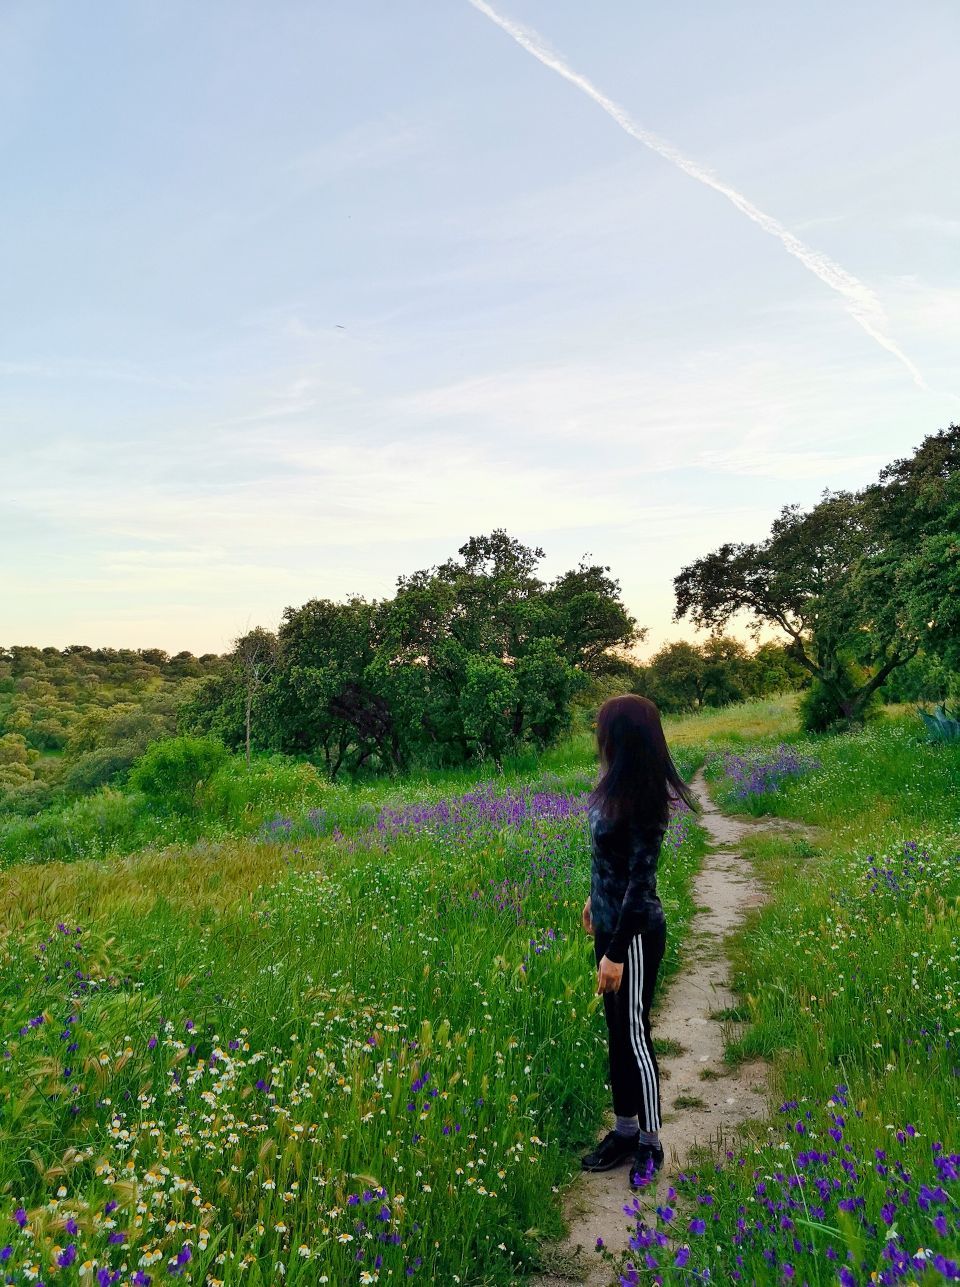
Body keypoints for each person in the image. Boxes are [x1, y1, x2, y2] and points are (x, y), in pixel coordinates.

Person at [579, 693, 697, 1190]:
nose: (597, 736)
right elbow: (608, 862)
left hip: (635, 936)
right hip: (609, 925)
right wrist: (591, 901)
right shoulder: (612, 788)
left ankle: (650, 1140)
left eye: (603, 728)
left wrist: (615, 951)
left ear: (621, 736)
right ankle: (625, 1131)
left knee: (635, 1036)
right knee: (617, 1034)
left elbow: (640, 883)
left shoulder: (646, 798)